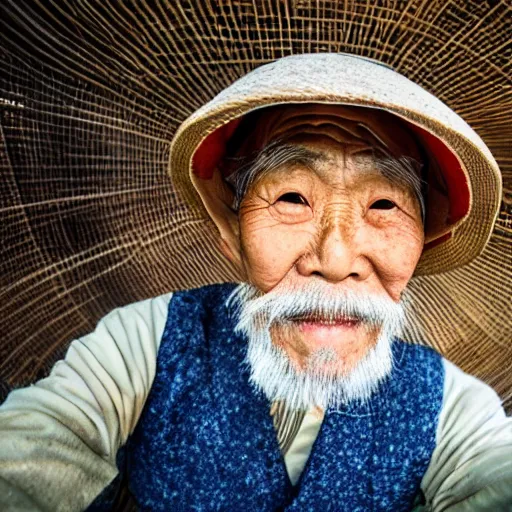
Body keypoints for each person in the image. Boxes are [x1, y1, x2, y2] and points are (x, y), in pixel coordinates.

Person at [0, 54, 511, 512]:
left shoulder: (451, 405)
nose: (334, 260)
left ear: (421, 243)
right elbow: (36, 447)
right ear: (234, 233)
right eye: (291, 198)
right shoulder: (144, 342)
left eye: (383, 205)